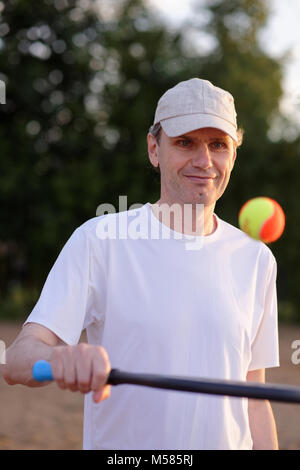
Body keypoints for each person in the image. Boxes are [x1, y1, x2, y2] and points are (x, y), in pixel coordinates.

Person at [2, 78, 279, 450]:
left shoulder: (257, 257)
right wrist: (60, 357)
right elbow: (17, 360)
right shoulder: (100, 240)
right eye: (185, 142)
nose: (204, 161)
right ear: (154, 149)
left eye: (218, 145)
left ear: (233, 154)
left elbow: (253, 396)